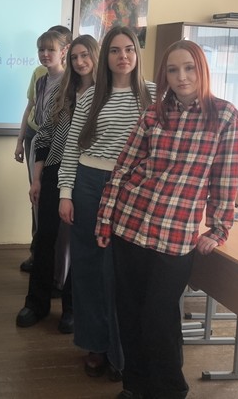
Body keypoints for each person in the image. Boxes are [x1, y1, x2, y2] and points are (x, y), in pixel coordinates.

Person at [96, 39, 238, 399]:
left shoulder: (224, 116)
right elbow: (124, 167)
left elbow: (225, 179)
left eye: (189, 68)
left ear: (202, 69)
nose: (182, 77)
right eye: (173, 70)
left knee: (158, 319)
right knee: (129, 314)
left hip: (175, 235)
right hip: (130, 223)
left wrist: (219, 229)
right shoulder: (153, 114)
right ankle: (134, 386)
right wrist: (105, 217)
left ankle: (169, 391)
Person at [58, 26, 155, 381]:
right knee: (88, 268)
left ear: (137, 53)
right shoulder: (91, 96)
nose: (122, 56)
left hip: (131, 189)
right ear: (106, 57)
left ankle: (122, 352)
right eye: (115, 50)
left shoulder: (153, 95)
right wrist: (65, 193)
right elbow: (73, 148)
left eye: (128, 49)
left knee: (122, 272)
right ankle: (95, 345)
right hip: (88, 185)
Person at [16, 34, 100, 333]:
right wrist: (37, 178)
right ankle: (36, 303)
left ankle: (72, 309)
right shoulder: (62, 93)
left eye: (85, 55)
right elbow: (44, 136)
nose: (79, 62)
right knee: (45, 238)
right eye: (75, 56)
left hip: (88, 175)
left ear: (95, 56)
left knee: (81, 242)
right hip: (54, 169)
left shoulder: (105, 97)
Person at [14, 26, 71, 272]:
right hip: (35, 138)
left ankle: (55, 261)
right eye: (41, 49)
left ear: (64, 51)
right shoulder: (39, 76)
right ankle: (38, 252)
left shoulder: (70, 80)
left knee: (55, 198)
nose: (45, 54)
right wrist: (20, 140)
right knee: (37, 195)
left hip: (59, 143)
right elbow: (31, 109)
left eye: (51, 49)